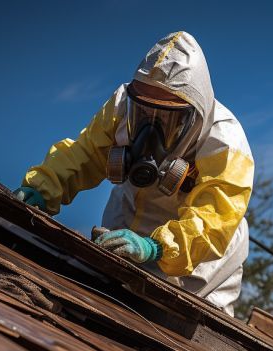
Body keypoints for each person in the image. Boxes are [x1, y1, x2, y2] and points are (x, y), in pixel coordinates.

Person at [14, 31, 254, 316]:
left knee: (187, 330)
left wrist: (157, 248)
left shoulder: (225, 141)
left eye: (167, 118)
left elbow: (214, 217)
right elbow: (84, 153)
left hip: (202, 264)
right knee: (98, 305)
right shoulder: (120, 108)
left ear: (195, 115)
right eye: (143, 113)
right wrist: (42, 188)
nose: (150, 130)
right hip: (127, 226)